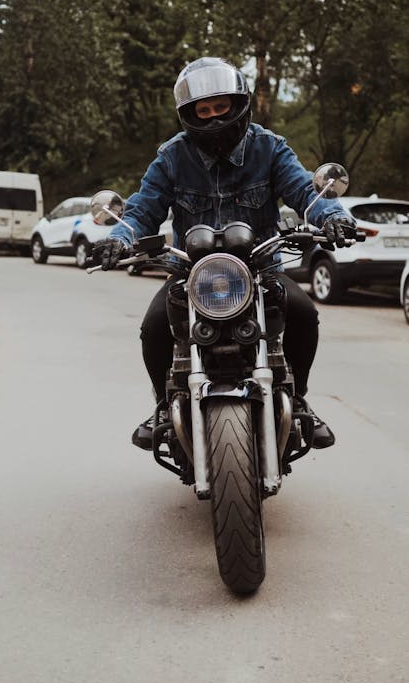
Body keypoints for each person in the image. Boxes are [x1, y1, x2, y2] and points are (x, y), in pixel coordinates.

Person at [93, 56, 356, 451]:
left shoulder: (269, 148)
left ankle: (298, 397)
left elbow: (305, 192)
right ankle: (165, 406)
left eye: (221, 108)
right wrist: (120, 238)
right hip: (191, 275)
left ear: (239, 105)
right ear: (189, 114)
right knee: (153, 329)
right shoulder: (171, 157)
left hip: (260, 271)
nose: (214, 119)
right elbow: (143, 209)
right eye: (204, 110)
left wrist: (333, 216)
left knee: (304, 314)